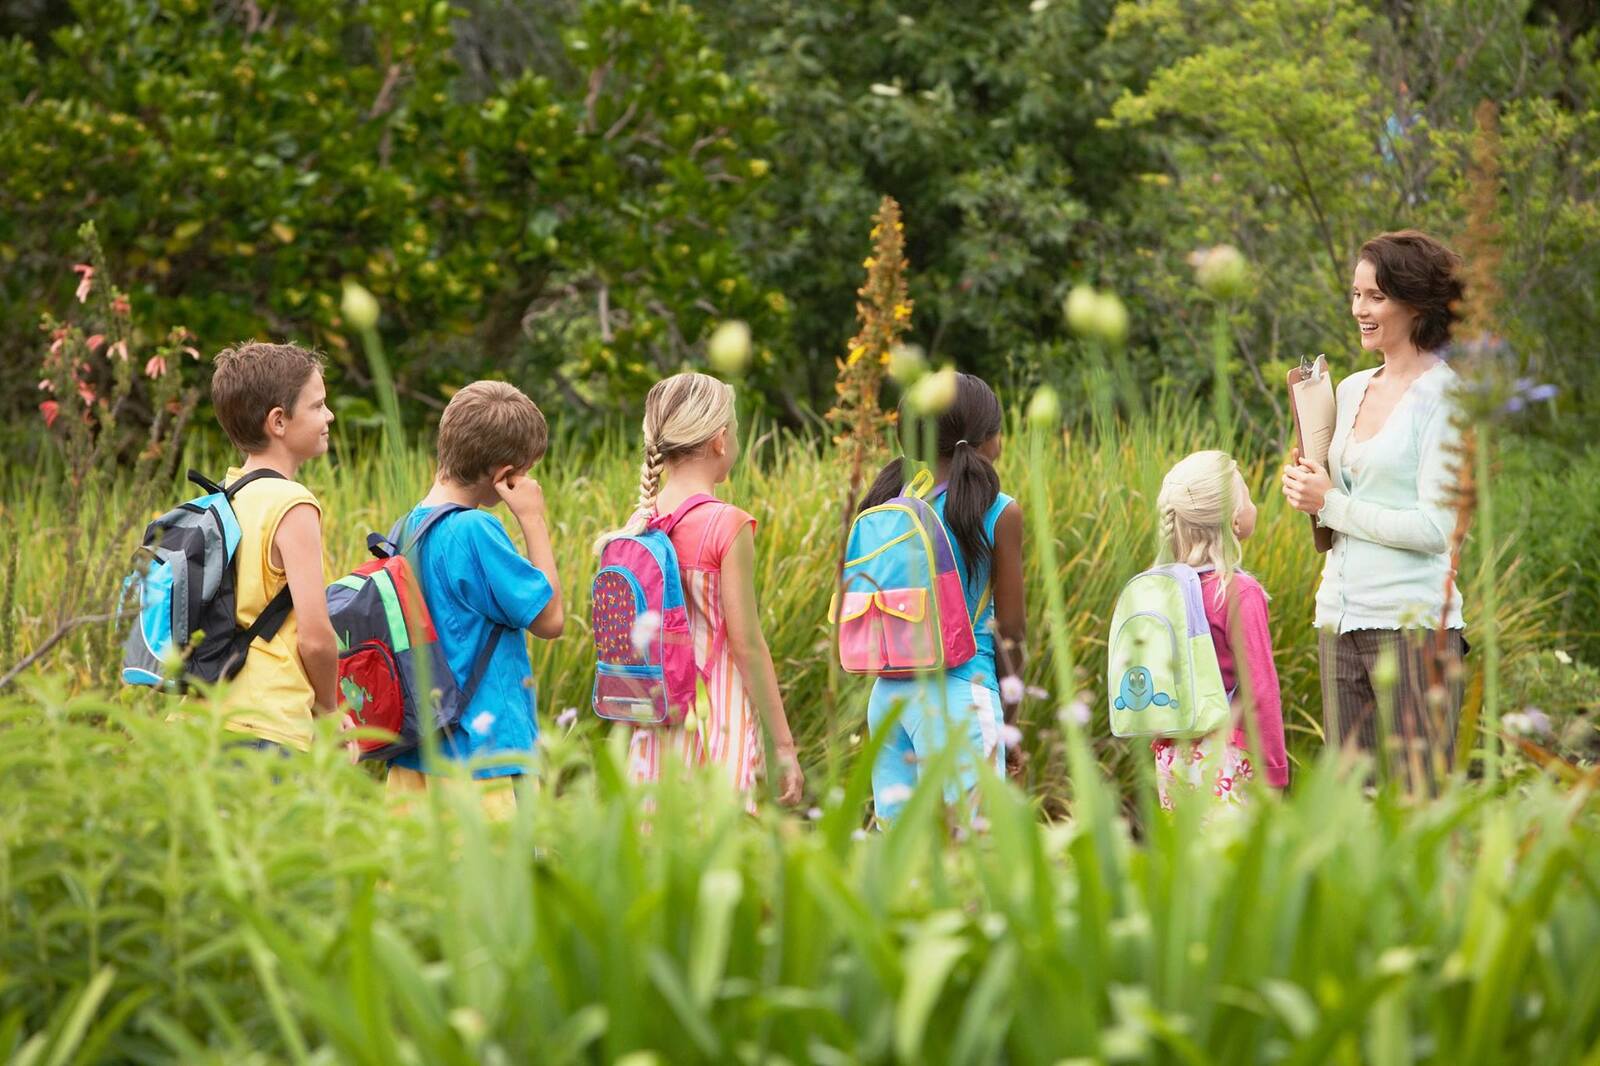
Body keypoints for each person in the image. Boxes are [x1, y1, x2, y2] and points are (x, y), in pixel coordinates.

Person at [1282, 229, 1468, 790]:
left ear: (1416, 303)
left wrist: (1333, 504)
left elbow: (1437, 529)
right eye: (1356, 294)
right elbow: (1340, 500)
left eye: (1376, 297)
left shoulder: (1447, 398)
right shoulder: (1351, 386)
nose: (1360, 309)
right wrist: (1308, 487)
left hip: (1414, 629)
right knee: (1351, 815)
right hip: (1339, 617)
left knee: (1422, 808)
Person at [595, 372, 804, 807]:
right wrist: (782, 745)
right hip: (715, 719)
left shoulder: (640, 525)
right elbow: (747, 645)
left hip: (653, 719)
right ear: (720, 441)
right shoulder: (727, 524)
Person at [384, 381, 565, 817]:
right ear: (505, 476)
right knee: (498, 882)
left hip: (415, 755)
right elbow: (550, 619)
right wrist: (533, 519)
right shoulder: (474, 531)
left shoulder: (403, 530)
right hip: (483, 762)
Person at [857, 373, 1026, 823]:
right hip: (961, 696)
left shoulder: (888, 501)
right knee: (974, 862)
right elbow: (1012, 631)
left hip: (887, 698)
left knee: (903, 861)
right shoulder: (998, 509)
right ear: (987, 440)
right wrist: (1007, 725)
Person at [208, 341, 339, 753]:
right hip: (269, 722)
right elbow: (315, 637)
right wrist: (331, 711)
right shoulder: (292, 504)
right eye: (317, 406)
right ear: (279, 421)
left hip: (206, 714)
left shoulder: (226, 497)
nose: (329, 415)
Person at [1150, 451, 1289, 808]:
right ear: (1234, 520)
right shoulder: (1238, 593)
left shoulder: (1161, 589)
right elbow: (1261, 690)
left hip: (1171, 755)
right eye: (1248, 497)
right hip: (1227, 759)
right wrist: (1275, 772)